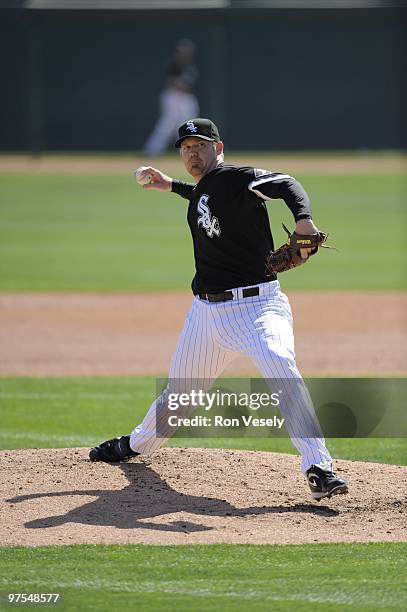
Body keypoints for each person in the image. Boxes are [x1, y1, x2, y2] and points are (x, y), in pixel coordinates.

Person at [90, 117, 349, 501]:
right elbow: (204, 197)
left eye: (200, 146)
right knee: (180, 396)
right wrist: (169, 185)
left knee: (280, 364)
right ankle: (138, 445)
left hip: (258, 308)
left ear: (219, 148)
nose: (193, 153)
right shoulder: (206, 186)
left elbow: (286, 183)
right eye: (186, 148)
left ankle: (319, 466)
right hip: (206, 316)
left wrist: (304, 220)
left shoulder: (237, 178)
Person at [143, 39, 199, 156]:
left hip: (185, 98)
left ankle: (187, 149)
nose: (185, 53)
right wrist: (180, 86)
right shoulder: (173, 65)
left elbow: (190, 85)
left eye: (187, 51)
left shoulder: (190, 66)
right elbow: (170, 83)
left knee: (188, 123)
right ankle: (152, 150)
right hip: (173, 96)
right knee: (168, 124)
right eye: (182, 51)